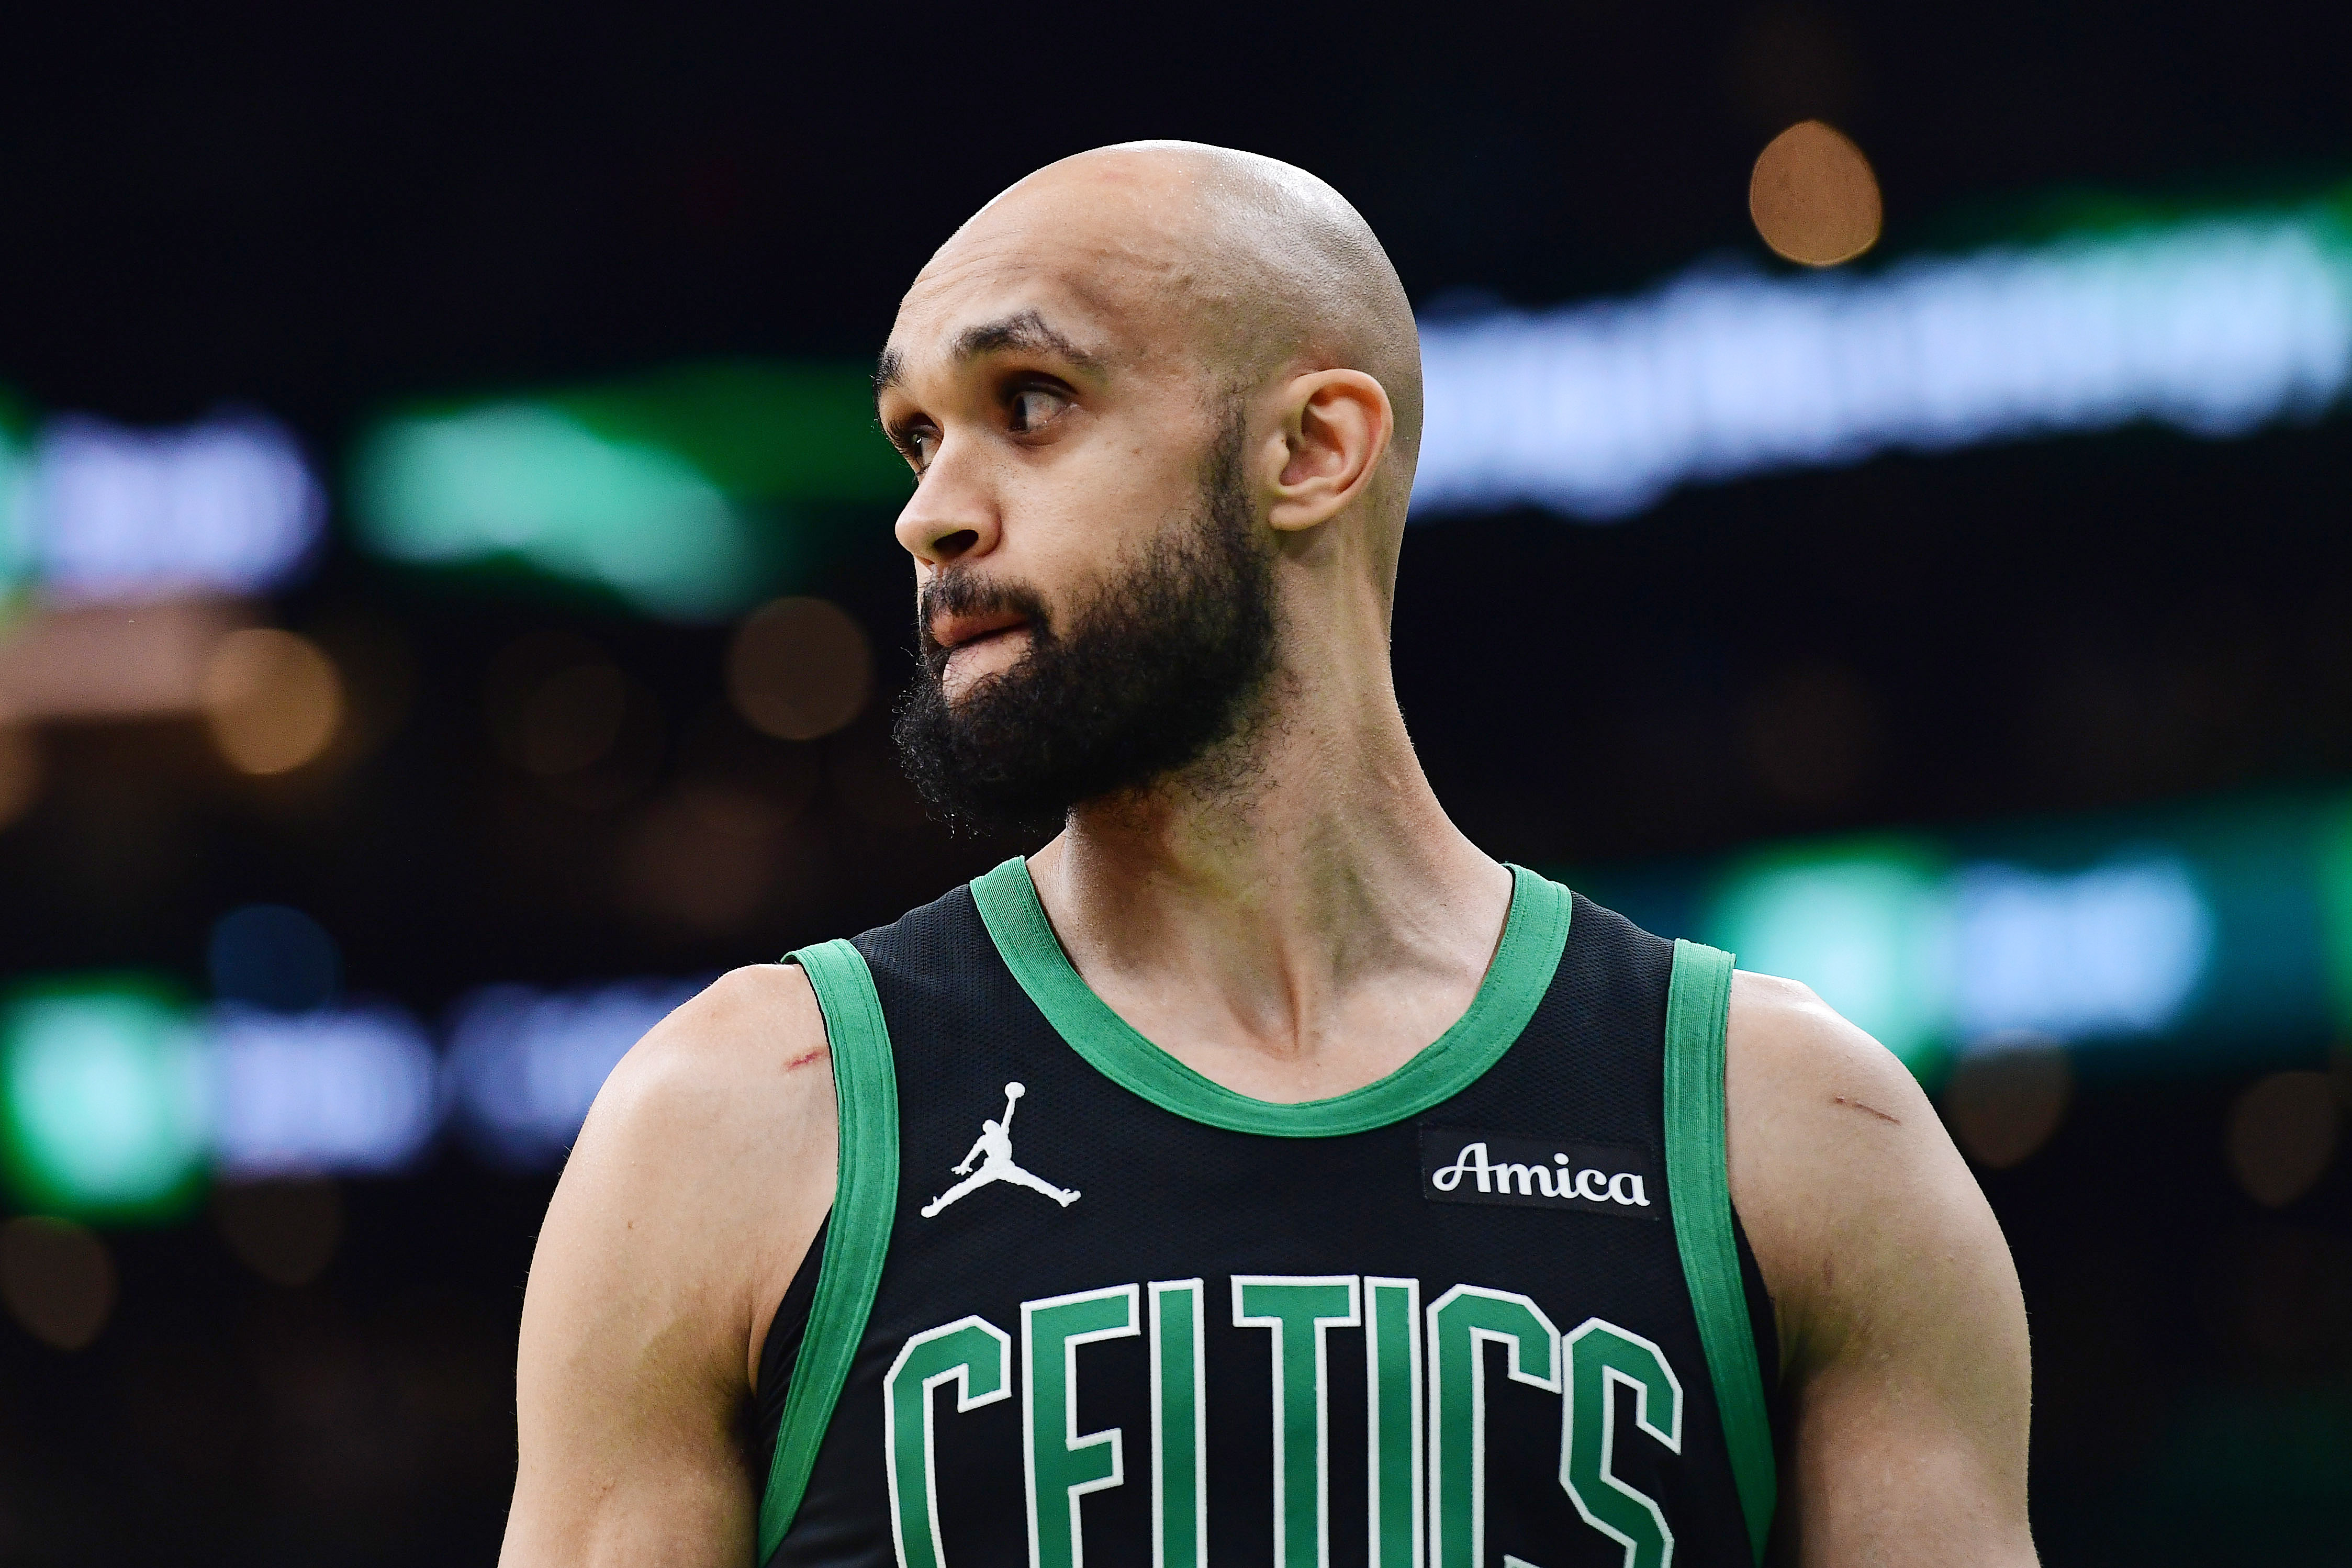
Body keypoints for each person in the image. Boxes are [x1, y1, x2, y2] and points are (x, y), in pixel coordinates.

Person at [501, 142, 2035, 1568]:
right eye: (918, 437)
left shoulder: (1792, 1132)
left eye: (1029, 402)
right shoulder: (732, 1128)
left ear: (1313, 447)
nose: (932, 515)